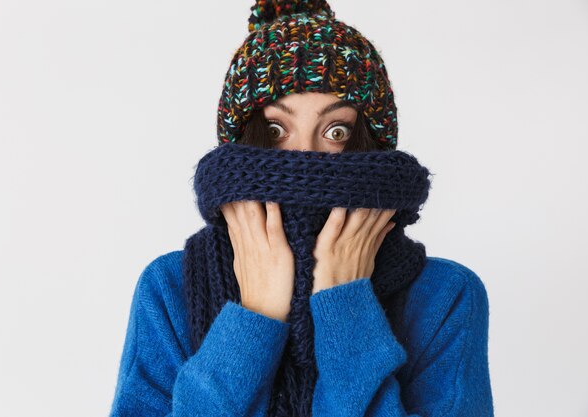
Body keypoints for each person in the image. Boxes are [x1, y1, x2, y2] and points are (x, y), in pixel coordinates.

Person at [108, 1, 494, 416]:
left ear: (369, 144)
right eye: (276, 130)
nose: (304, 158)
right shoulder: (169, 289)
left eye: (336, 130)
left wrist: (346, 307)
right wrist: (252, 318)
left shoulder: (445, 297)